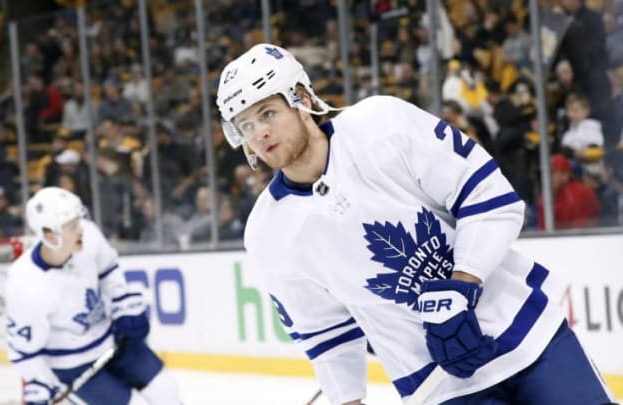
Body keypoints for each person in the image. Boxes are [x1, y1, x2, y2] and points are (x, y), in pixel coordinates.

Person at [215, 43, 618, 405]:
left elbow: (490, 198)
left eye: (267, 113)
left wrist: (463, 284)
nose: (259, 133)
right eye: (246, 125)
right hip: (441, 388)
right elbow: (323, 333)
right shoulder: (268, 233)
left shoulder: (380, 126)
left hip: (529, 335)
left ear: (301, 99)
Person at [5, 187, 181, 405]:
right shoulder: (26, 283)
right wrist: (40, 381)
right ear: (50, 235)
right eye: (71, 227)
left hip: (114, 341)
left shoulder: (88, 235)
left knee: (167, 392)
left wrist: (121, 301)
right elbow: (24, 350)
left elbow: (109, 270)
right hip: (74, 366)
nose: (80, 229)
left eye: (78, 221)